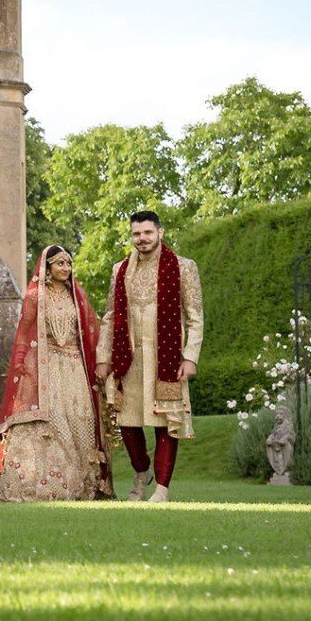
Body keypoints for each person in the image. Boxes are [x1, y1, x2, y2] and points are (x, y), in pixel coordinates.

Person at [97, 210, 204, 502]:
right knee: (127, 422)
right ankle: (142, 472)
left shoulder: (183, 267)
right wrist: (103, 358)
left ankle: (162, 489)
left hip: (165, 359)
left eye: (147, 232)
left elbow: (195, 317)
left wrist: (190, 356)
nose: (141, 239)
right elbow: (109, 316)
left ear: (160, 232)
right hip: (128, 358)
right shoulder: (120, 269)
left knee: (166, 420)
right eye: (136, 234)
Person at [0, 244, 113, 501]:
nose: (66, 268)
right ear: (47, 267)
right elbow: (24, 335)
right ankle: (43, 488)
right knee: (51, 423)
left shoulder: (76, 297)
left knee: (81, 420)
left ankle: (87, 487)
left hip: (74, 369)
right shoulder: (36, 296)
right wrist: (20, 368)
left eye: (68, 264)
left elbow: (93, 330)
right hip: (46, 371)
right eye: (60, 263)